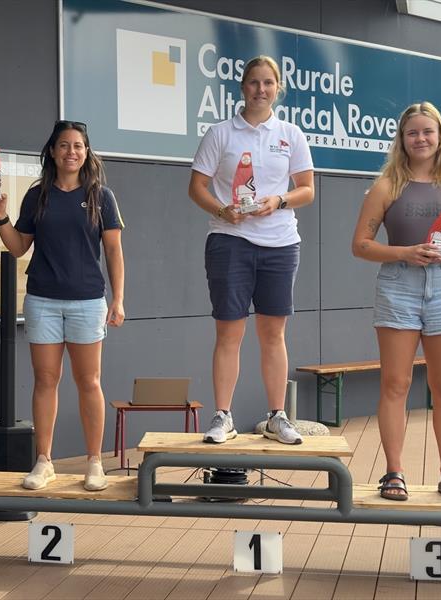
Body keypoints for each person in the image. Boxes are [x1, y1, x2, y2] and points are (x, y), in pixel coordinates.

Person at [0, 120, 125, 491]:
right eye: (64, 145)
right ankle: (44, 461)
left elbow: (113, 251)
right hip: (43, 300)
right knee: (46, 380)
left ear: (87, 152)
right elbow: (17, 247)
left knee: (89, 381)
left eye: (78, 146)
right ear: (52, 151)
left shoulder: (101, 197)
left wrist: (118, 299)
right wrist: (0, 216)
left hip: (88, 301)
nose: (71, 152)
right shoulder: (38, 195)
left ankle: (95, 462)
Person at [188, 55, 315, 445]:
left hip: (280, 243)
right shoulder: (221, 133)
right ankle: (223, 416)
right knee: (229, 332)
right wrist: (223, 209)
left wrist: (278, 201)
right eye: (254, 82)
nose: (261, 89)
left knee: (273, 333)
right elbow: (197, 188)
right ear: (242, 87)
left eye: (268, 83)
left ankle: (277, 416)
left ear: (278, 89)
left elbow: (307, 190)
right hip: (229, 241)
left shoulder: (290, 133)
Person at [352, 102, 441, 502]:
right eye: (412, 133)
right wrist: (404, 252)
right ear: (402, 140)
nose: (420, 139)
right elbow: (361, 246)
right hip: (398, 287)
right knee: (395, 383)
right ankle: (393, 472)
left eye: (427, 131)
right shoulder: (386, 186)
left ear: (440, 136)